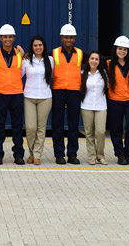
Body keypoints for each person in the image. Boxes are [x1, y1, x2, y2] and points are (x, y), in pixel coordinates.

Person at [0, 24, 25, 165]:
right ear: (0, 38)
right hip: (0, 94)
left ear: (14, 38)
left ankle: (18, 155)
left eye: (10, 37)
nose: (8, 39)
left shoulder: (20, 54)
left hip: (16, 94)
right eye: (5, 37)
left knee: (17, 126)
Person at [51, 24, 83, 165]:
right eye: (66, 37)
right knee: (57, 124)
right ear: (62, 38)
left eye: (71, 37)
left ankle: (72, 154)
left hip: (74, 91)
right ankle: (59, 154)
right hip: (58, 90)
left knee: (73, 124)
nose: (68, 40)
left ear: (74, 39)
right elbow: (37, 56)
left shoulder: (81, 54)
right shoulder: (54, 53)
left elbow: (97, 60)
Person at [106, 36, 129, 165]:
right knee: (116, 128)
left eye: (125, 49)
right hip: (115, 100)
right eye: (120, 49)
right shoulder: (108, 64)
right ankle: (120, 153)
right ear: (115, 49)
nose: (122, 51)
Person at [22, 35, 53, 165]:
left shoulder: (50, 60)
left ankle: (36, 155)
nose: (38, 47)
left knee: (41, 128)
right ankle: (31, 152)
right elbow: (18, 76)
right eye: (35, 45)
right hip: (29, 97)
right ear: (32, 47)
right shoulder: (26, 61)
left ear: (43, 46)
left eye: (40, 45)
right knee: (30, 127)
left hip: (45, 97)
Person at [80, 51, 108, 165]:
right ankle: (91, 156)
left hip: (101, 106)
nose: (94, 61)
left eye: (96, 59)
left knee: (101, 132)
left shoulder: (104, 74)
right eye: (92, 58)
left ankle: (100, 155)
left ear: (99, 62)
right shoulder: (82, 74)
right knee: (89, 133)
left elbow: (108, 88)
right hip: (86, 106)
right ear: (88, 60)